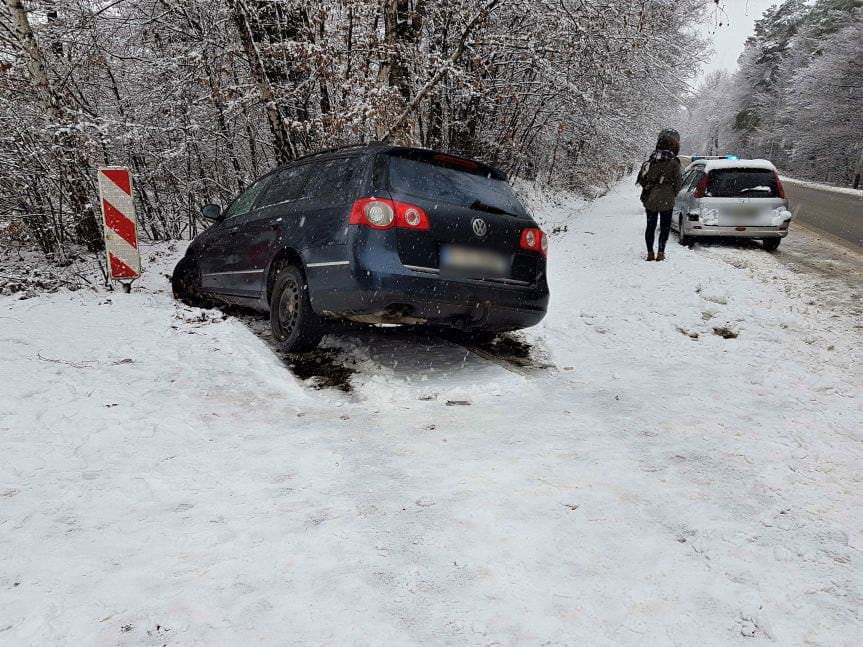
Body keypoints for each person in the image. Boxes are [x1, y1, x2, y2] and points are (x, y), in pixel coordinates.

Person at [636, 129, 683, 261]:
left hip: (651, 197)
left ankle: (650, 252)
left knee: (650, 226)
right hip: (667, 199)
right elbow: (679, 183)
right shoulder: (674, 162)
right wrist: (672, 193)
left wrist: (650, 187)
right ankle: (661, 252)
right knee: (664, 227)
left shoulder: (651, 160)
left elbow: (642, 178)